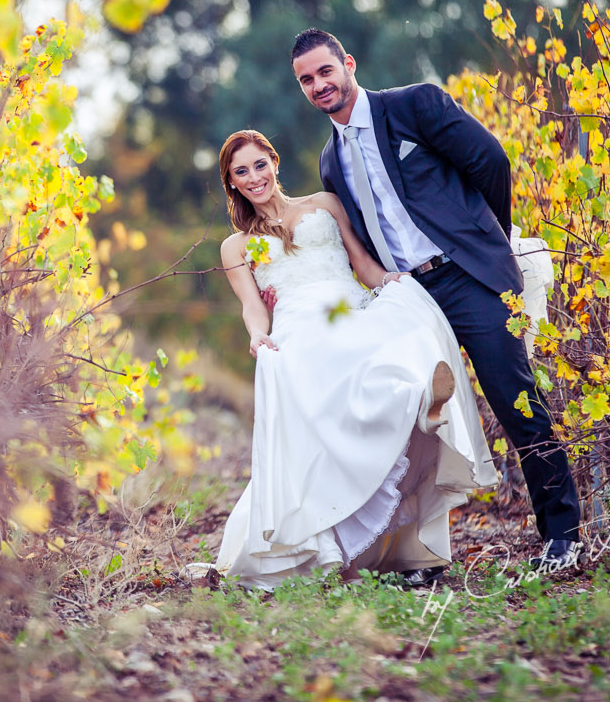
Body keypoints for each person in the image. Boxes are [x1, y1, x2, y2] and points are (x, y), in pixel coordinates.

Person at [289, 28, 582, 567]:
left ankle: (563, 535)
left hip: (466, 278)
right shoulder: (331, 163)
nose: (319, 85)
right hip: (410, 298)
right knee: (407, 421)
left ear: (348, 63)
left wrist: (485, 238)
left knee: (514, 399)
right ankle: (416, 554)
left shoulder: (414, 105)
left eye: (325, 71)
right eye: (306, 80)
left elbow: (490, 161)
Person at [211, 130, 498, 590]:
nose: (253, 177)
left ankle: (417, 401)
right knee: (332, 378)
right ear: (232, 183)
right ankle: (411, 405)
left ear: (274, 161)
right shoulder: (235, 246)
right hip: (298, 323)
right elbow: (251, 304)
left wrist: (392, 280)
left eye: (258, 165)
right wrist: (257, 336)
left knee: (392, 335)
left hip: (349, 305)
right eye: (240, 172)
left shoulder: (324, 204)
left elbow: (361, 263)